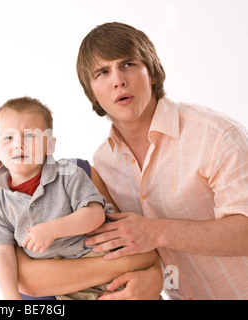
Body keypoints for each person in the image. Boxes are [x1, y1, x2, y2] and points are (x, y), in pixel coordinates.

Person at [0, 92, 163, 299]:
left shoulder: (77, 172)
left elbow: (132, 240)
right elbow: (31, 282)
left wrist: (153, 277)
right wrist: (134, 262)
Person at [76, 22, 248, 300]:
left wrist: (156, 232)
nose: (118, 79)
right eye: (103, 72)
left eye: (129, 64)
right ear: (92, 93)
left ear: (152, 73)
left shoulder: (216, 134)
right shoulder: (103, 162)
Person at [0, 97, 128, 300]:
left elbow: (95, 215)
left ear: (49, 145)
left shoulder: (69, 174)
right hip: (67, 287)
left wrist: (52, 230)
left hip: (103, 259)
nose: (18, 145)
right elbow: (3, 254)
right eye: (8, 138)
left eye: (29, 136)